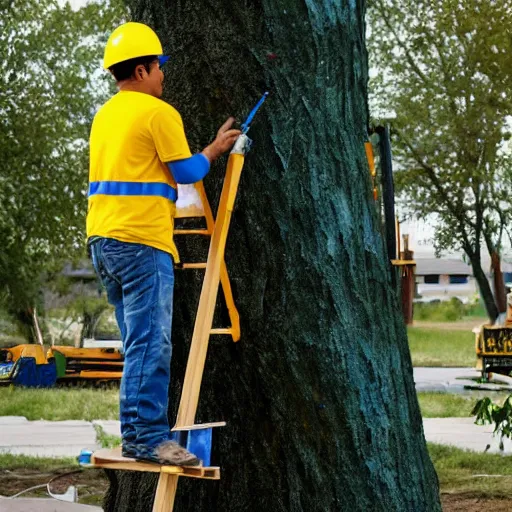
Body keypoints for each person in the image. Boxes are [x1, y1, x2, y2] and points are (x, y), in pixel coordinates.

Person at [86, 22, 241, 466]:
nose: (162, 75)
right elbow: (189, 172)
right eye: (158, 67)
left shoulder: (106, 114)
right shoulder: (158, 113)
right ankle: (147, 438)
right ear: (140, 70)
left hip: (104, 243)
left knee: (139, 342)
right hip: (141, 243)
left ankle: (137, 433)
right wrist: (213, 149)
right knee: (151, 344)